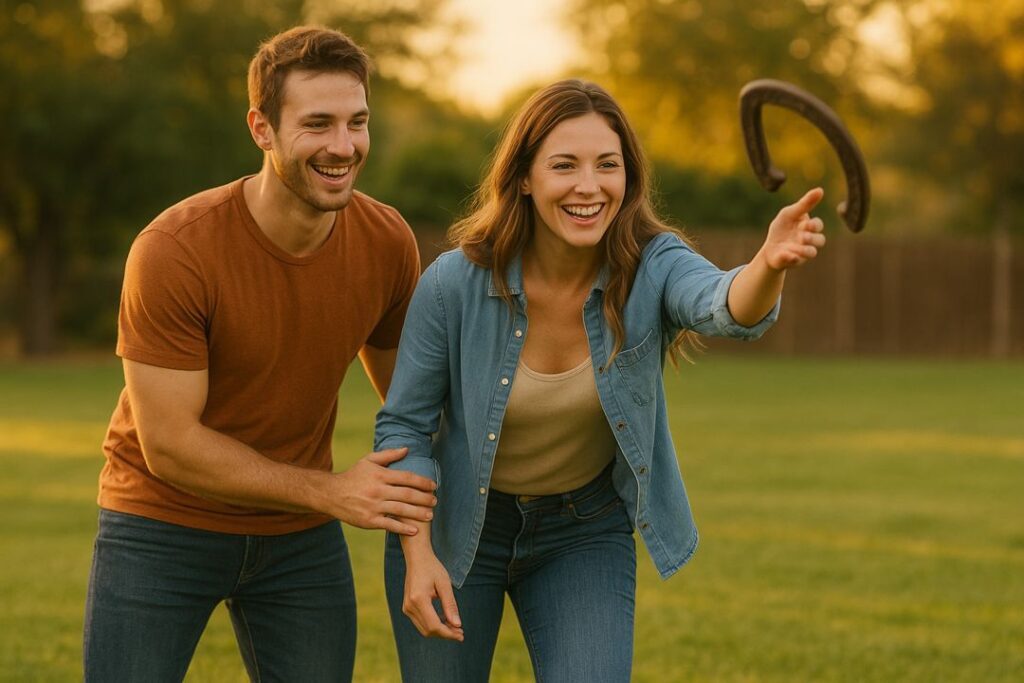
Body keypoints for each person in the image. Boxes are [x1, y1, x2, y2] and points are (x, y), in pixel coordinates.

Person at [374, 79, 827, 682]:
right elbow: (404, 424)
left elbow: (723, 305)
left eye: (607, 165)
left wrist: (768, 264)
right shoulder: (453, 283)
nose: (589, 186)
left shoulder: (653, 264)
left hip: (581, 532)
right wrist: (416, 550)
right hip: (457, 529)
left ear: (628, 178)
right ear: (526, 177)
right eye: (565, 165)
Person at [83, 26, 438, 682]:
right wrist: (332, 491)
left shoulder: (387, 241)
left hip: (298, 539)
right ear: (261, 128)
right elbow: (170, 444)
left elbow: (414, 402)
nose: (343, 146)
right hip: (160, 522)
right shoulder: (175, 249)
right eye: (318, 123)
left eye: (357, 122)